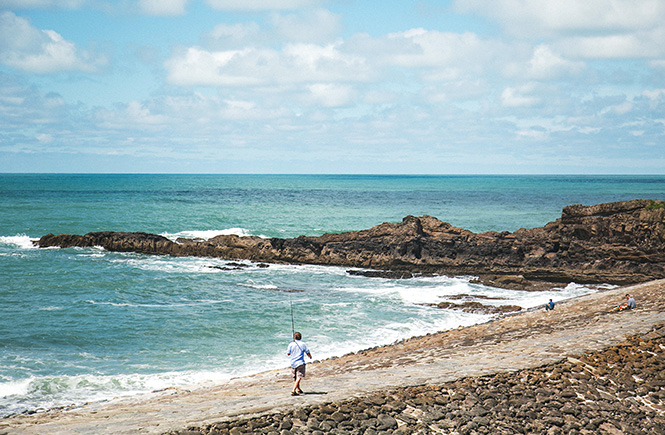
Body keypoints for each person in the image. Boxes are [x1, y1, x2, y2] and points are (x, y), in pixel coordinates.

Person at [287, 331, 312, 396]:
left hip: (293, 363)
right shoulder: (303, 344)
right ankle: (293, 390)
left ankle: (298, 389)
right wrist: (310, 356)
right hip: (300, 362)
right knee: (299, 377)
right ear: (300, 337)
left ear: (294, 337)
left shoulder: (291, 344)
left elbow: (288, 353)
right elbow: (307, 351)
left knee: (295, 377)